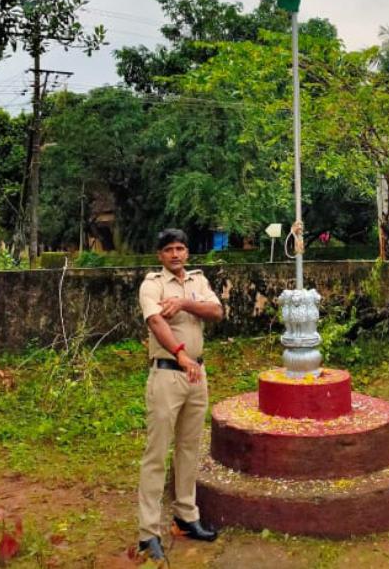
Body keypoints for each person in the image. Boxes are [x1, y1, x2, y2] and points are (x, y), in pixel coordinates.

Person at [137, 228, 223, 562]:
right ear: (160, 255)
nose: (175, 254)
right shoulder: (153, 284)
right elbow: (156, 323)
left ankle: (186, 517)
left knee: (189, 448)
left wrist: (185, 302)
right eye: (169, 249)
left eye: (180, 248)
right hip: (167, 374)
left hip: (196, 375)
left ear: (187, 252)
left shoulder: (198, 281)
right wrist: (180, 354)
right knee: (157, 453)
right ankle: (148, 533)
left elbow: (216, 312)